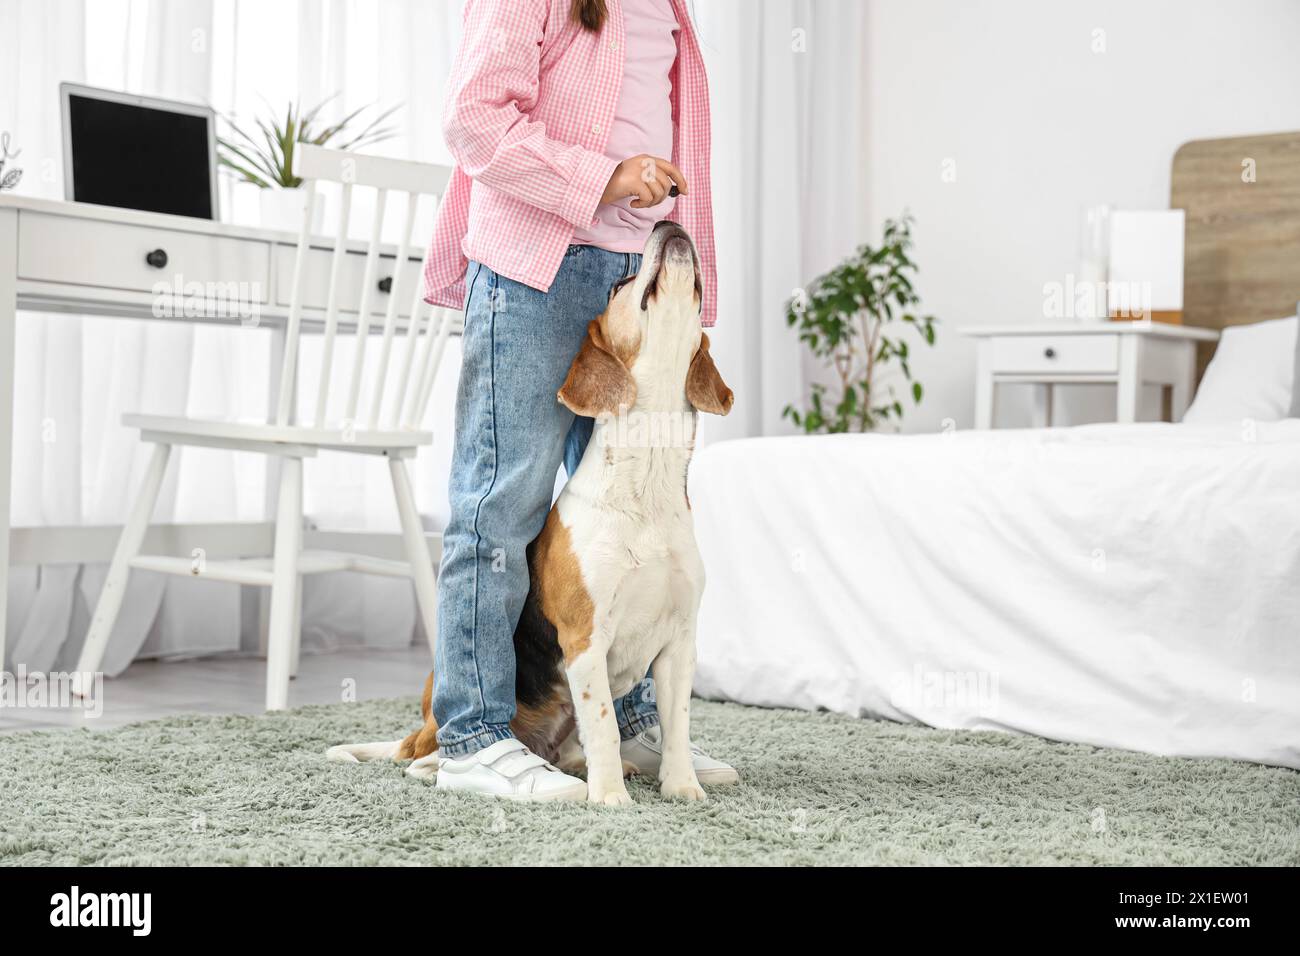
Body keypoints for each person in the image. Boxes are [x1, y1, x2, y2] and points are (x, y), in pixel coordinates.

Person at [420, 0, 736, 800]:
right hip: (536, 268)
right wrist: (603, 178)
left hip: (632, 274)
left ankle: (619, 718)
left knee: (628, 515)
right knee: (501, 503)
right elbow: (474, 119)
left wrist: (687, 288)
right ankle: (473, 736)